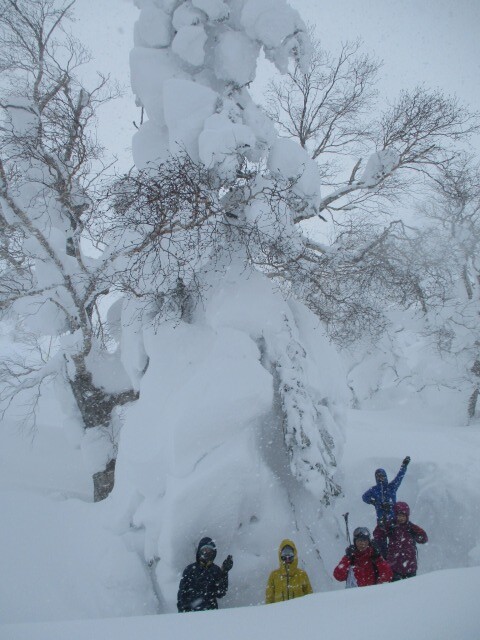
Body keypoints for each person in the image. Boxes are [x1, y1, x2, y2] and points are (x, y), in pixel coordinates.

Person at [373, 501, 428, 580]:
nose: (401, 518)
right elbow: (377, 535)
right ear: (395, 515)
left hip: (410, 565)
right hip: (394, 565)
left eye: (403, 516)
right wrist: (381, 525)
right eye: (399, 515)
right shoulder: (391, 526)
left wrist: (417, 535)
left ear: (407, 516)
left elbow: (424, 538)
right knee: (396, 588)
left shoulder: (411, 527)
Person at [177, 537, 233, 612]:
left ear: (214, 553)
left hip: (211, 613)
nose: (207, 552)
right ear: (199, 552)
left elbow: (221, 593)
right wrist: (183, 611)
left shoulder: (216, 570)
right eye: (204, 550)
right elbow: (182, 594)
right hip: (190, 614)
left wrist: (224, 572)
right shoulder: (190, 570)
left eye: (210, 550)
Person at [362, 456, 411, 525]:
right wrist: (375, 502)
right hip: (381, 520)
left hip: (394, 519)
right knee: (381, 534)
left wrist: (404, 466)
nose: (380, 478)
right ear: (376, 477)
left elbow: (399, 477)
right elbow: (364, 497)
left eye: (382, 476)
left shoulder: (392, 487)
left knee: (394, 534)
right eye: (378, 476)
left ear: (385, 476)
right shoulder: (374, 489)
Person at [265, 539, 313, 603]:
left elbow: (310, 598)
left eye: (290, 555)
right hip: (279, 612)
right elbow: (269, 599)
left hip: (300, 612)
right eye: (284, 555)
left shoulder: (302, 575)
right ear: (280, 556)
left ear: (294, 555)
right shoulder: (274, 576)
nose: (287, 558)